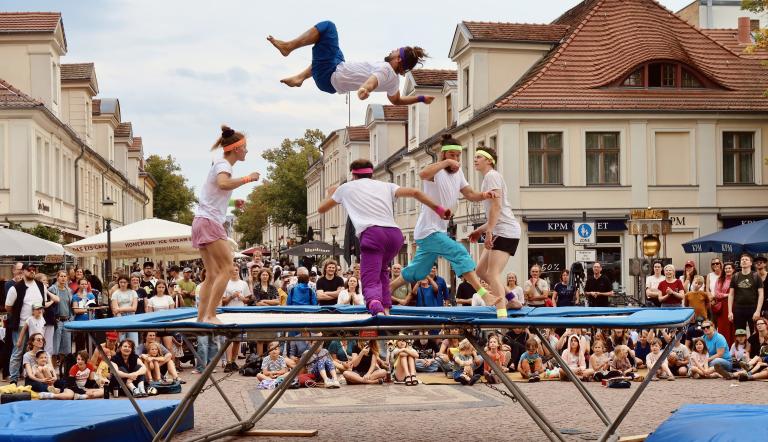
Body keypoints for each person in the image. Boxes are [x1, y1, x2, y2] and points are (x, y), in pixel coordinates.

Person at [318, 158, 450, 315]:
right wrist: (439, 209)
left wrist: (331, 194)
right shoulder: (386, 185)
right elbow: (415, 192)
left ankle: (376, 307)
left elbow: (321, 209)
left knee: (369, 278)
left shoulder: (345, 188)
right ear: (372, 173)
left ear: (353, 175)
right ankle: (386, 307)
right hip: (394, 235)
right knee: (381, 271)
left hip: (373, 234)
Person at [389, 136, 501, 308]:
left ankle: (387, 289)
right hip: (428, 230)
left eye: (458, 156)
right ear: (443, 155)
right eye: (451, 155)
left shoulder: (459, 173)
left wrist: (485, 195)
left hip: (437, 231)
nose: (455, 159)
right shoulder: (436, 171)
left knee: (418, 269)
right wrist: (446, 162)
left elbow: (470, 194)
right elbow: (422, 174)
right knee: (459, 252)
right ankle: (484, 295)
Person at [267, 21, 432, 105]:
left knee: (328, 27)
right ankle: (300, 78)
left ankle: (288, 47)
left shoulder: (385, 70)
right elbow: (397, 101)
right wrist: (421, 98)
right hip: (335, 71)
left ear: (399, 59)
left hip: (328, 75)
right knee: (334, 50)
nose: (393, 50)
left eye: (396, 51)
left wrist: (365, 89)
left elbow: (373, 81)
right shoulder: (394, 81)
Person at [192, 126, 260, 323]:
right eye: (245, 147)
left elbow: (212, 195)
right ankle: (211, 314)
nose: (246, 151)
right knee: (228, 269)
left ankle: (201, 317)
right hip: (209, 222)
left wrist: (231, 203)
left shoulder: (218, 163)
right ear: (236, 149)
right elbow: (223, 183)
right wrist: (248, 178)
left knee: (212, 274)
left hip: (200, 220)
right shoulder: (224, 165)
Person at [469, 147, 522, 318]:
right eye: (475, 157)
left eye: (479, 157)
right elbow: (495, 214)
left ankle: (501, 311)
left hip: (505, 230)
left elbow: (497, 207)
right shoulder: (489, 177)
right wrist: (481, 230)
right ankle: (512, 299)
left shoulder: (491, 176)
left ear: (489, 161)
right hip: (503, 228)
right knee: (480, 271)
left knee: (492, 273)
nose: (475, 159)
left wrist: (489, 232)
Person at [5, 263, 45, 384]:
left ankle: (33, 379)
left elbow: (43, 304)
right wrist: (18, 315)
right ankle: (13, 380)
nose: (32, 271)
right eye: (29, 269)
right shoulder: (15, 288)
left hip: (37, 324)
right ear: (23, 271)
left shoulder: (40, 285)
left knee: (36, 352)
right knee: (18, 352)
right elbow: (8, 307)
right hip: (21, 324)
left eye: (34, 269)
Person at [728, 253, 764, 335]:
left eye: (746, 260)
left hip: (753, 308)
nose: (744, 261)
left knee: (755, 333)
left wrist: (758, 311)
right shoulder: (735, 276)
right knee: (740, 334)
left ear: (751, 263)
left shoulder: (756, 276)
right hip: (738, 308)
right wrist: (730, 311)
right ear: (740, 263)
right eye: (742, 260)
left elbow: (761, 294)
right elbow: (731, 294)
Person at [48, 270, 73, 373]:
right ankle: (54, 370)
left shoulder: (69, 290)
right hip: (57, 321)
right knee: (55, 347)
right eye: (61, 276)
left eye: (65, 276)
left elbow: (70, 306)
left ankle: (63, 370)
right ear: (57, 277)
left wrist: (71, 318)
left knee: (66, 348)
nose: (63, 278)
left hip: (67, 320)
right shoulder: (52, 289)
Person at [110, 276, 139, 346]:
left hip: (132, 318)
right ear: (118, 283)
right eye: (121, 282)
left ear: (128, 282)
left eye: (124, 282)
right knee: (121, 342)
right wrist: (121, 321)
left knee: (134, 341)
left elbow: (134, 308)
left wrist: (120, 309)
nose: (123, 284)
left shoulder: (133, 292)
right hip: (120, 318)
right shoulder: (115, 293)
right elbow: (115, 310)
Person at [713, 262, 735, 345]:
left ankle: (734, 347)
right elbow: (716, 294)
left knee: (733, 327)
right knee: (723, 328)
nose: (727, 270)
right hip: (723, 307)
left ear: (733, 269)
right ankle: (723, 346)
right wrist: (728, 295)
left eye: (729, 268)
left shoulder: (736, 279)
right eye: (726, 268)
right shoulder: (720, 280)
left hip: (735, 305)